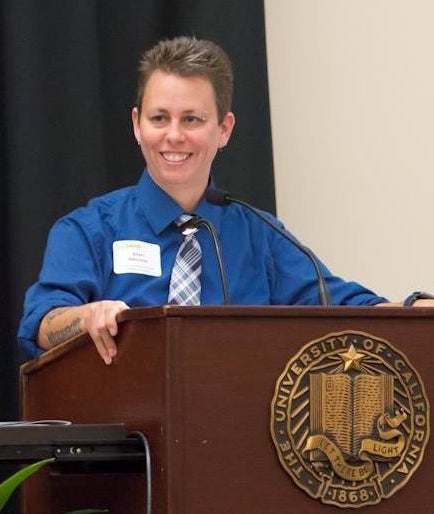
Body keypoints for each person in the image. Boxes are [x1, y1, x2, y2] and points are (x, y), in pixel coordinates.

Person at [17, 36, 434, 365]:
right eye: (159, 118)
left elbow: (344, 306)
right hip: (124, 438)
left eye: (192, 119)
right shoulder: (88, 229)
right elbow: (41, 323)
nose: (174, 136)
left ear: (224, 129)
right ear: (137, 125)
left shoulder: (260, 235)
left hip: (234, 432)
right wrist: (86, 317)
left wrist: (418, 308)